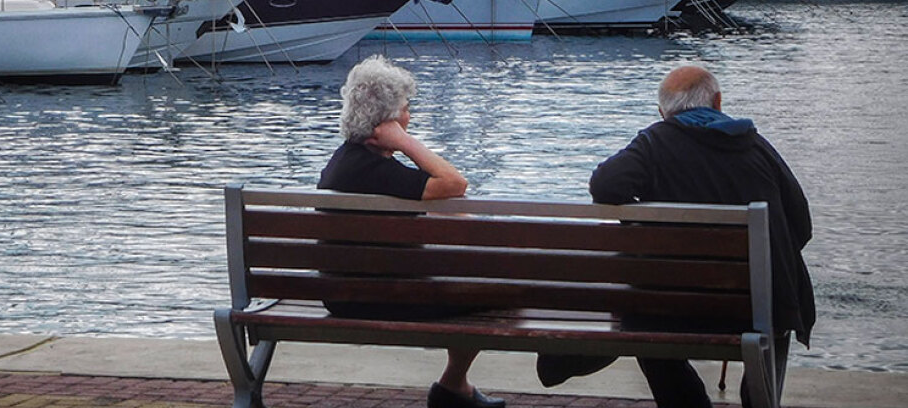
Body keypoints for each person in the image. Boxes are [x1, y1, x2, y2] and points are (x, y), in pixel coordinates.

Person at [537, 65, 815, 408]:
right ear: (717, 101)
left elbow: (606, 185)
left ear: (663, 112)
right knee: (773, 305)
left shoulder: (655, 143)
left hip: (673, 309)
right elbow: (801, 227)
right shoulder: (756, 146)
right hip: (760, 310)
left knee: (646, 310)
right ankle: (758, 397)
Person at [318, 55, 504, 408]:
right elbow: (455, 183)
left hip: (343, 292)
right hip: (378, 298)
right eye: (406, 109)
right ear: (387, 121)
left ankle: (456, 386)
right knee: (503, 287)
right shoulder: (375, 170)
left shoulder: (346, 162)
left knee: (481, 269)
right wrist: (406, 142)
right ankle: (454, 384)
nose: (410, 116)